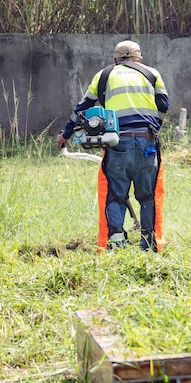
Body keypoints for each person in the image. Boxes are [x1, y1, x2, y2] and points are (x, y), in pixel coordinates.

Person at [57, 40, 169, 252]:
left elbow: (83, 107)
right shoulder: (152, 74)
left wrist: (66, 134)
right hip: (147, 142)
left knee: (116, 194)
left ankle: (116, 243)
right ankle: (149, 243)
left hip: (117, 142)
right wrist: (155, 126)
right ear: (140, 59)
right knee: (148, 195)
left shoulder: (104, 75)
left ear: (115, 59)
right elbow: (163, 104)